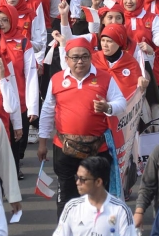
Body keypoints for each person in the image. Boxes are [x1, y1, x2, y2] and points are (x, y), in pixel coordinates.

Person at [38, 37, 127, 218]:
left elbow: (121, 103)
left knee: (98, 194)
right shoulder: (56, 79)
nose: (80, 61)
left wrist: (107, 107)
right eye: (76, 57)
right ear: (67, 59)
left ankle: (97, 235)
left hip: (97, 149)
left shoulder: (104, 78)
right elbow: (47, 111)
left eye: (85, 56)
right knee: (67, 197)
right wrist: (42, 142)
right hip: (64, 149)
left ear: (91, 58)